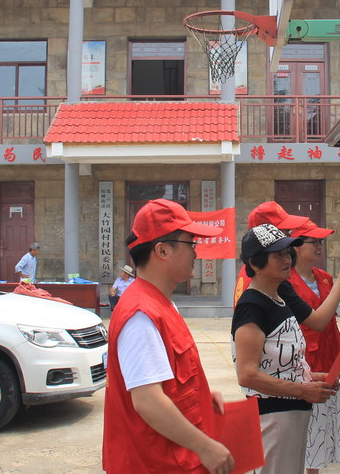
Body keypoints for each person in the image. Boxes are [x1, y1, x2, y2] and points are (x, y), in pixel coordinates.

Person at [102, 199, 234, 474]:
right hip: (154, 463)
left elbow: (168, 379)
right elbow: (148, 401)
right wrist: (205, 447)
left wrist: (199, 394)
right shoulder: (141, 314)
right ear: (162, 250)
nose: (196, 253)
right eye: (190, 244)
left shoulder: (161, 304)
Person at [232, 224, 339, 474]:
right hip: (273, 418)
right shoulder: (253, 306)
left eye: (287, 253)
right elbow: (247, 374)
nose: (286, 260)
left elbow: (277, 364)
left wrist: (312, 379)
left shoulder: (277, 299)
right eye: (277, 255)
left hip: (291, 415)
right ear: (255, 264)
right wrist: (303, 389)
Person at [289, 219, 340, 473]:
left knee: (321, 431)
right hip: (303, 365)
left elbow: (331, 324)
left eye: (321, 241)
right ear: (296, 246)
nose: (319, 246)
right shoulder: (287, 282)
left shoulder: (325, 278)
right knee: (302, 431)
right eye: (313, 241)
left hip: (328, 363)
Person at [232, 201, 340, 334]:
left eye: (286, 253)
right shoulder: (271, 280)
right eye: (286, 232)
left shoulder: (254, 272)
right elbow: (317, 322)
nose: (290, 235)